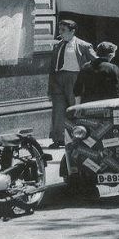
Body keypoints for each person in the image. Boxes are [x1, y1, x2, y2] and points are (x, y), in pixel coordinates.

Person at [48, 20, 96, 148]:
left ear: (72, 31)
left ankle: (78, 137)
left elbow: (96, 62)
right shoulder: (58, 45)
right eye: (60, 30)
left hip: (75, 78)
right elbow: (52, 67)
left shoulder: (83, 45)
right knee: (58, 109)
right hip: (58, 79)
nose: (60, 33)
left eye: (63, 30)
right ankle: (58, 139)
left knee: (75, 108)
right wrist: (50, 85)